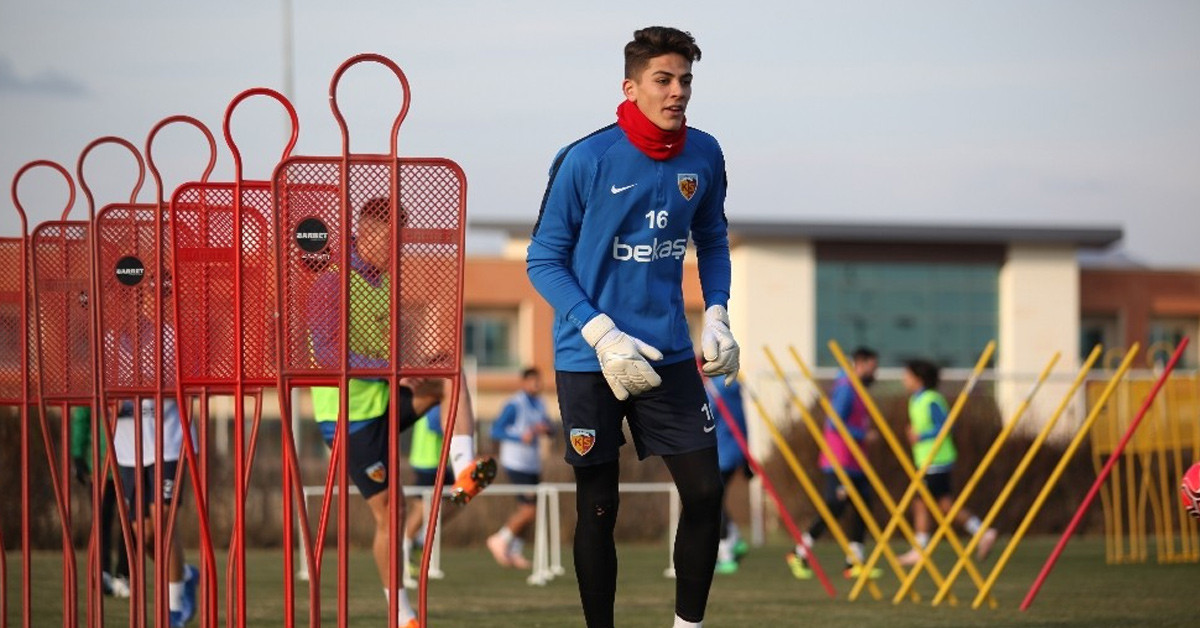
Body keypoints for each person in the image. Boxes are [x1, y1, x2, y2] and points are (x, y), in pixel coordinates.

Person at [526, 26, 737, 628]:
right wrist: (601, 333)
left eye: (685, 80)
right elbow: (543, 260)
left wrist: (717, 312)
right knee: (599, 505)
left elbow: (712, 238)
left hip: (668, 353)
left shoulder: (705, 153)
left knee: (705, 492)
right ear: (631, 87)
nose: (677, 92)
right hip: (589, 356)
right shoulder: (585, 159)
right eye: (663, 80)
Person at [307, 196, 495, 627]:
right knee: (391, 514)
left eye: (402, 241)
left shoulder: (384, 283)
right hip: (348, 417)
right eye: (393, 241)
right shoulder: (332, 282)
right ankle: (401, 614)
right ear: (368, 234)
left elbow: (386, 352)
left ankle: (465, 468)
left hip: (385, 400)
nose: (399, 250)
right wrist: (393, 372)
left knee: (449, 376)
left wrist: (415, 367)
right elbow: (330, 354)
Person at [786, 346, 883, 580]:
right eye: (872, 368)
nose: (875, 373)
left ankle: (854, 561)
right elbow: (834, 423)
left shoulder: (858, 389)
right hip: (840, 460)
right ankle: (799, 552)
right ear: (860, 364)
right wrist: (863, 435)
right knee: (835, 507)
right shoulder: (846, 388)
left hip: (856, 461)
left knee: (863, 508)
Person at [896, 359, 998, 566]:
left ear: (918, 378)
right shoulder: (915, 400)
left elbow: (946, 426)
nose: (903, 380)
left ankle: (920, 548)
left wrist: (922, 436)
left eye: (907, 376)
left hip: (936, 460)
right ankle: (982, 532)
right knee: (945, 506)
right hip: (926, 460)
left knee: (920, 502)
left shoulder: (931, 399)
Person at [112, 397, 198, 627]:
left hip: (168, 441)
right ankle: (184, 574)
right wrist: (111, 404)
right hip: (128, 449)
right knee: (145, 534)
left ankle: (174, 611)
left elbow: (192, 389)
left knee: (163, 522)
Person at [486, 367, 554, 569]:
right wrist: (519, 437)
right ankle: (500, 539)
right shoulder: (515, 404)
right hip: (516, 463)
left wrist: (547, 429)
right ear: (524, 382)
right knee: (529, 510)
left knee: (531, 510)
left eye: (538, 381)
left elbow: (550, 428)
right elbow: (495, 430)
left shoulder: (540, 403)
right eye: (533, 381)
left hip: (532, 463)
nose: (537, 384)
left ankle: (514, 551)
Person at [70, 405, 131, 598]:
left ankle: (123, 574)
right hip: (100, 464)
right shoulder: (96, 386)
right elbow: (82, 416)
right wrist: (78, 455)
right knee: (101, 521)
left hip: (130, 464)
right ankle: (103, 572)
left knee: (130, 522)